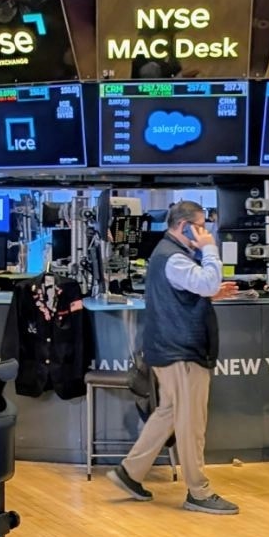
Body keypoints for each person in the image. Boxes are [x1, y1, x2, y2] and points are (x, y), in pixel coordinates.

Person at [108, 201, 240, 515]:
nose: (205, 232)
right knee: (191, 423)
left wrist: (210, 292)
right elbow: (206, 280)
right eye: (201, 226)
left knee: (169, 412)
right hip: (181, 351)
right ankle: (198, 491)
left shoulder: (167, 254)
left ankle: (130, 472)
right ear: (184, 226)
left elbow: (193, 289)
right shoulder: (175, 257)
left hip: (168, 348)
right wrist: (210, 249)